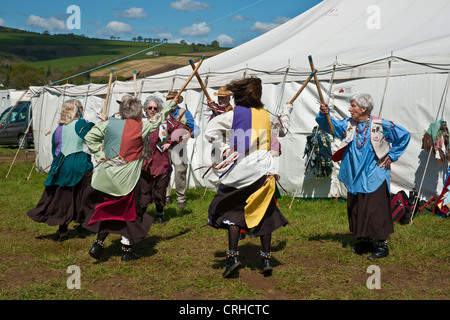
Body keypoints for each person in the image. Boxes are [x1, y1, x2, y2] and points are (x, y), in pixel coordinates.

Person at [204, 77, 288, 278]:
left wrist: (224, 149)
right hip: (264, 172)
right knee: (264, 212)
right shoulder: (267, 116)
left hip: (241, 172)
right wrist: (287, 110)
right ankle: (266, 258)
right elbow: (283, 130)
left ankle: (233, 257)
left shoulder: (234, 115)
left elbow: (211, 130)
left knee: (233, 213)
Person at [316, 93, 410, 259]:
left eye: (353, 106)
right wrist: (324, 115)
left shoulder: (380, 124)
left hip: (375, 173)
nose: (349, 109)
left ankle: (382, 245)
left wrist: (392, 156)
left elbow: (404, 135)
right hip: (355, 174)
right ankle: (365, 241)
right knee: (358, 207)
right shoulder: (349, 124)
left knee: (376, 209)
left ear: (364, 108)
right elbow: (331, 127)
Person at [82, 97, 177, 262]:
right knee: (130, 213)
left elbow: (90, 137)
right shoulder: (141, 127)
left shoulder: (109, 124)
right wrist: (168, 105)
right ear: (139, 113)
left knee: (110, 210)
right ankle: (126, 250)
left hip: (108, 178)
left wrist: (100, 154)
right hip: (128, 180)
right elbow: (157, 120)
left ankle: (98, 244)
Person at [27, 99, 95, 241]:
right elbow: (94, 134)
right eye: (81, 107)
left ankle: (63, 230)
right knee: (83, 196)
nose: (83, 109)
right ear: (76, 110)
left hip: (62, 165)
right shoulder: (80, 124)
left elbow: (55, 150)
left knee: (65, 197)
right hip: (79, 164)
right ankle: (83, 226)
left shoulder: (60, 128)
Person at [140, 96, 184, 225]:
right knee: (144, 189)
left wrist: (170, 142)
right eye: (150, 108)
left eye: (155, 108)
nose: (152, 110)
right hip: (144, 162)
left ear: (160, 109)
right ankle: (142, 215)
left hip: (161, 162)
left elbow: (180, 128)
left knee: (160, 189)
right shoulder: (141, 122)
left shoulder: (166, 122)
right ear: (146, 109)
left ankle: (160, 214)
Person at [164, 91, 200, 210]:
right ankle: (165, 197)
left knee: (180, 172)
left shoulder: (185, 113)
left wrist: (190, 135)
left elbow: (196, 129)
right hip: (165, 147)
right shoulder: (163, 112)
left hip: (180, 147)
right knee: (164, 172)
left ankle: (181, 199)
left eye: (173, 99)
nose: (172, 102)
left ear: (178, 101)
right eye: (169, 99)